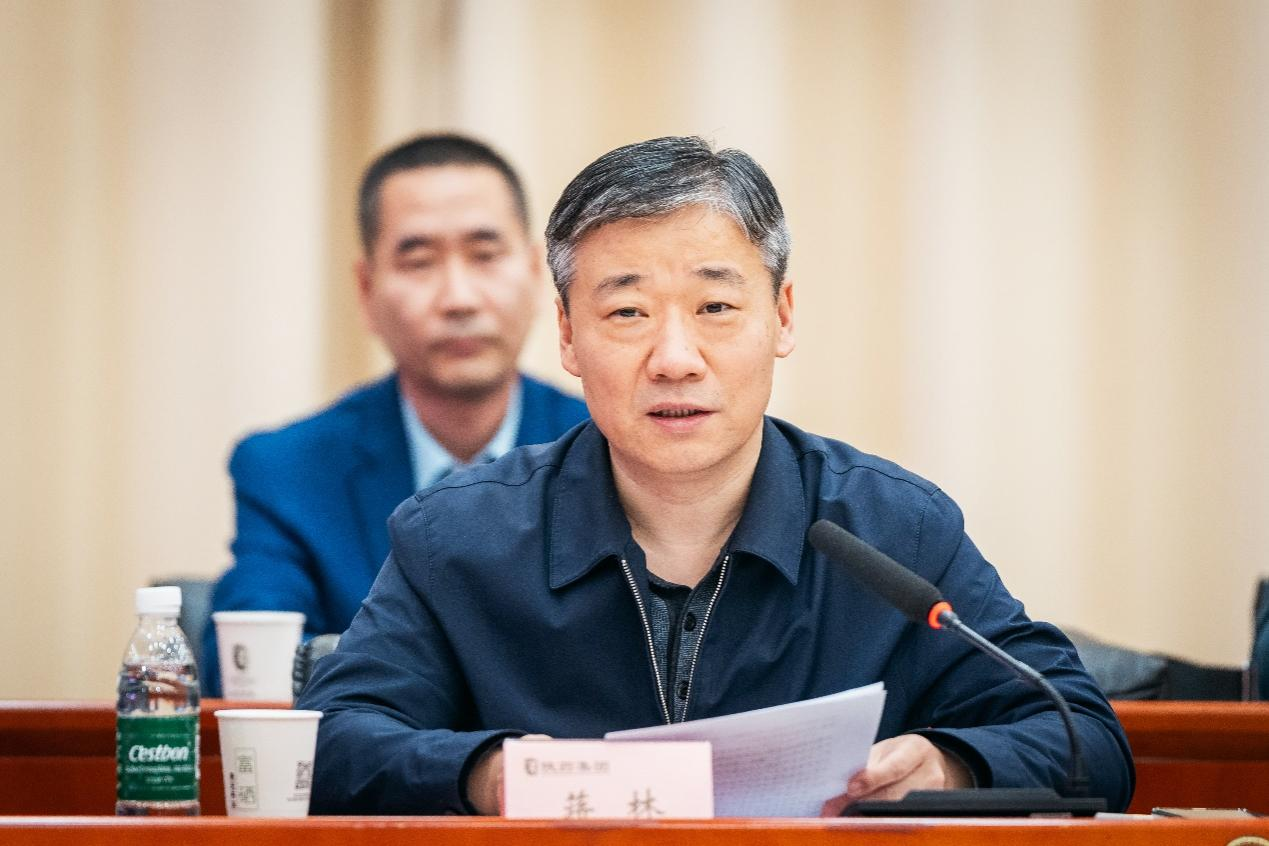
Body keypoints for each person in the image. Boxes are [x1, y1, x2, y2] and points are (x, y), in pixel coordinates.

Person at [296, 136, 1134, 814]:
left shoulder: (891, 530)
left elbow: (1085, 740)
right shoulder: (459, 536)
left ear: (782, 317)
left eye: (716, 308)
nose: (674, 358)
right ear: (567, 336)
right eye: (626, 312)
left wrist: (948, 765)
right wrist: (487, 775)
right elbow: (329, 743)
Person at [204, 134, 589, 695]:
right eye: (419, 261)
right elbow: (251, 671)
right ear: (366, 291)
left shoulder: (607, 445)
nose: (459, 298)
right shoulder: (288, 469)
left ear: (535, 273)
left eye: (485, 255)